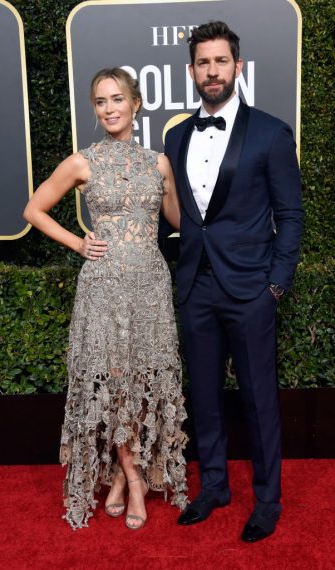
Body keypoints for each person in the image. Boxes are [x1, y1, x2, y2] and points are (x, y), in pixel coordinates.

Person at [24, 67, 188, 530]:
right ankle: (135, 479)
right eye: (101, 101)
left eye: (118, 99)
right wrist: (78, 243)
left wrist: (177, 187)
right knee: (115, 384)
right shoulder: (82, 162)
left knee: (139, 385)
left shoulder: (157, 163)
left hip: (150, 287)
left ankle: (120, 473)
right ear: (95, 110)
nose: (110, 108)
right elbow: (33, 209)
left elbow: (176, 220)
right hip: (104, 289)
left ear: (136, 104)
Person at [164, 21, 303, 542]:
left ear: (237, 66)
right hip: (197, 286)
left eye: (221, 61)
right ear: (192, 70)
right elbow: (174, 216)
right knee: (203, 395)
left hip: (251, 290)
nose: (212, 71)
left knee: (258, 399)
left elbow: (291, 214)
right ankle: (215, 486)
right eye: (203, 63)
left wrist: (276, 284)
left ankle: (267, 499)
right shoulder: (175, 136)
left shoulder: (270, 131)